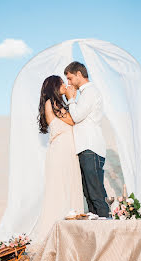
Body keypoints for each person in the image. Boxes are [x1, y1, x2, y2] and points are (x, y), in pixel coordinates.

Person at [29, 75, 84, 244]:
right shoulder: (52, 103)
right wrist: (72, 98)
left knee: (68, 185)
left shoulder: (55, 103)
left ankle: (70, 228)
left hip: (66, 150)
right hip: (61, 151)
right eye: (61, 83)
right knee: (61, 188)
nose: (65, 85)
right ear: (54, 86)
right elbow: (72, 120)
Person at [64, 61, 109, 217]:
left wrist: (70, 99)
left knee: (95, 193)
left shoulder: (90, 92)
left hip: (91, 147)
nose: (68, 83)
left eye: (70, 78)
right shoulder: (85, 93)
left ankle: (106, 227)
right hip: (85, 148)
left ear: (79, 74)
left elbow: (76, 116)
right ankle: (96, 227)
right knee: (89, 193)